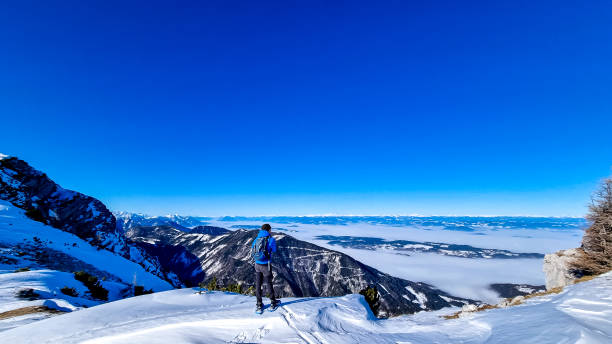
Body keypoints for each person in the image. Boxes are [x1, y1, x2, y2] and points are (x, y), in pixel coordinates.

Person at [251, 223, 280, 313]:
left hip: (257, 265)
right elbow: (274, 250)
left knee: (258, 284)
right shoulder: (271, 239)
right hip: (266, 265)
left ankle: (259, 305)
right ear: (269, 230)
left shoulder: (256, 239)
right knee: (268, 283)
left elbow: (252, 250)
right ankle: (273, 302)